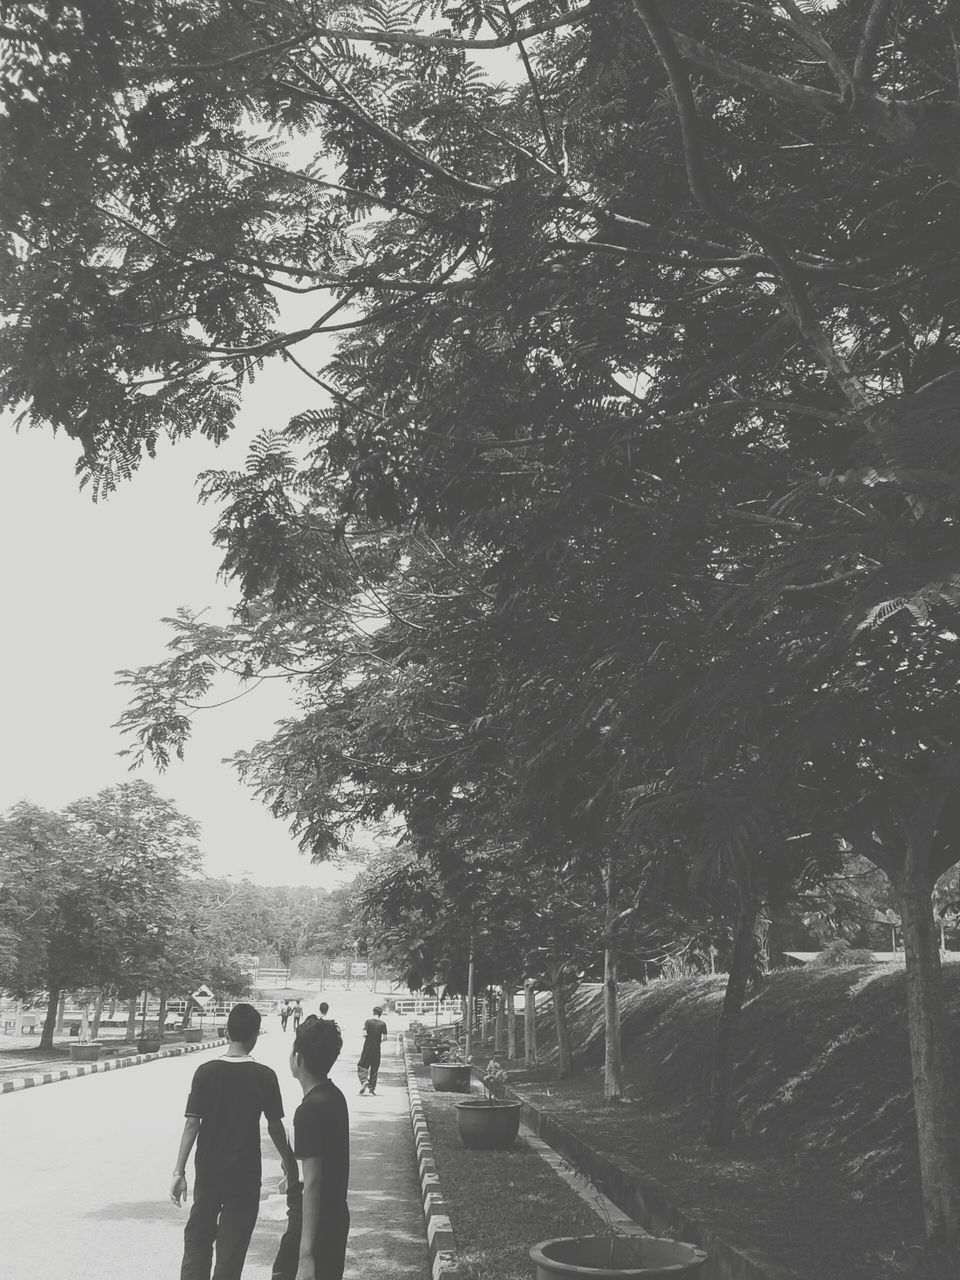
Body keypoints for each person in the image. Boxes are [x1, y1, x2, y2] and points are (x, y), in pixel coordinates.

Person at [170, 1002, 297, 1280]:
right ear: (255, 1036)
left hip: (209, 1171)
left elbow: (192, 1122)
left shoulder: (206, 1071)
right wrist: (289, 1162)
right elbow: (275, 1126)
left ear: (227, 1032)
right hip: (245, 1174)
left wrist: (179, 1172)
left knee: (198, 1239)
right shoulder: (265, 1076)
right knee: (233, 1246)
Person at [271, 1016, 350, 1280]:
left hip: (312, 1228)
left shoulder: (308, 1111)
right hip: (334, 1219)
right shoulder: (334, 1095)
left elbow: (313, 1182)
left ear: (299, 1058)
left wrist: (305, 1254)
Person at [357, 1005, 388, 1096]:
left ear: (373, 1012)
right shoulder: (383, 1024)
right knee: (374, 1068)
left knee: (362, 1065)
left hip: (367, 1048)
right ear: (380, 1014)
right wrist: (379, 1041)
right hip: (377, 1049)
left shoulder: (368, 1022)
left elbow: (363, 1034)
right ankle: (371, 1090)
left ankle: (364, 1081)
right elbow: (385, 1038)